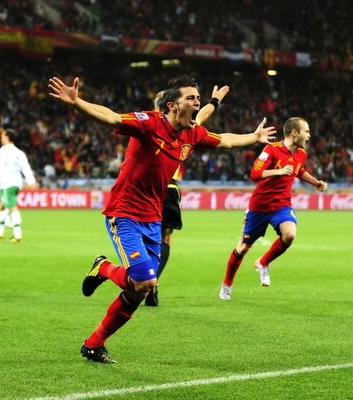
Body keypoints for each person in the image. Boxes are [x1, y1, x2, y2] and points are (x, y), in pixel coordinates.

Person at [48, 74, 276, 363]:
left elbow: (226, 141)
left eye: (198, 97)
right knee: (144, 281)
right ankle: (104, 268)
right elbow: (113, 119)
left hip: (153, 218)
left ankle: (94, 344)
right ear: (171, 105)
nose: (197, 102)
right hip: (125, 212)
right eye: (191, 98)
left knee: (139, 291)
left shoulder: (191, 133)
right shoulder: (149, 123)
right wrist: (76, 102)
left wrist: (253, 137)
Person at [219, 117, 328, 301]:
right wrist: (278, 171)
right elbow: (254, 173)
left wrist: (315, 182)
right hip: (259, 207)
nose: (309, 136)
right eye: (306, 131)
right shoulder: (271, 149)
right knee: (244, 247)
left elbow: (299, 171)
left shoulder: (301, 153)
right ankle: (227, 285)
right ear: (295, 133)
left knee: (290, 234)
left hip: (282, 205)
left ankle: (263, 262)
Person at [145, 85, 230, 307]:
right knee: (165, 238)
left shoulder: (146, 126)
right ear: (172, 106)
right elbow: (202, 116)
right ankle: (153, 282)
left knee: (144, 238)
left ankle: (146, 278)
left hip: (143, 190)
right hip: (169, 188)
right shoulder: (183, 128)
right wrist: (215, 101)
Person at [0, 129, 37, 242]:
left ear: (7, 137)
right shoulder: (19, 152)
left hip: (7, 183)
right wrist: (31, 181)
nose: (1, 138)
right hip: (15, 182)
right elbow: (25, 167)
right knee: (2, 206)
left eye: (3, 136)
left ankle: (17, 235)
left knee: (12, 207)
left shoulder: (4, 150)